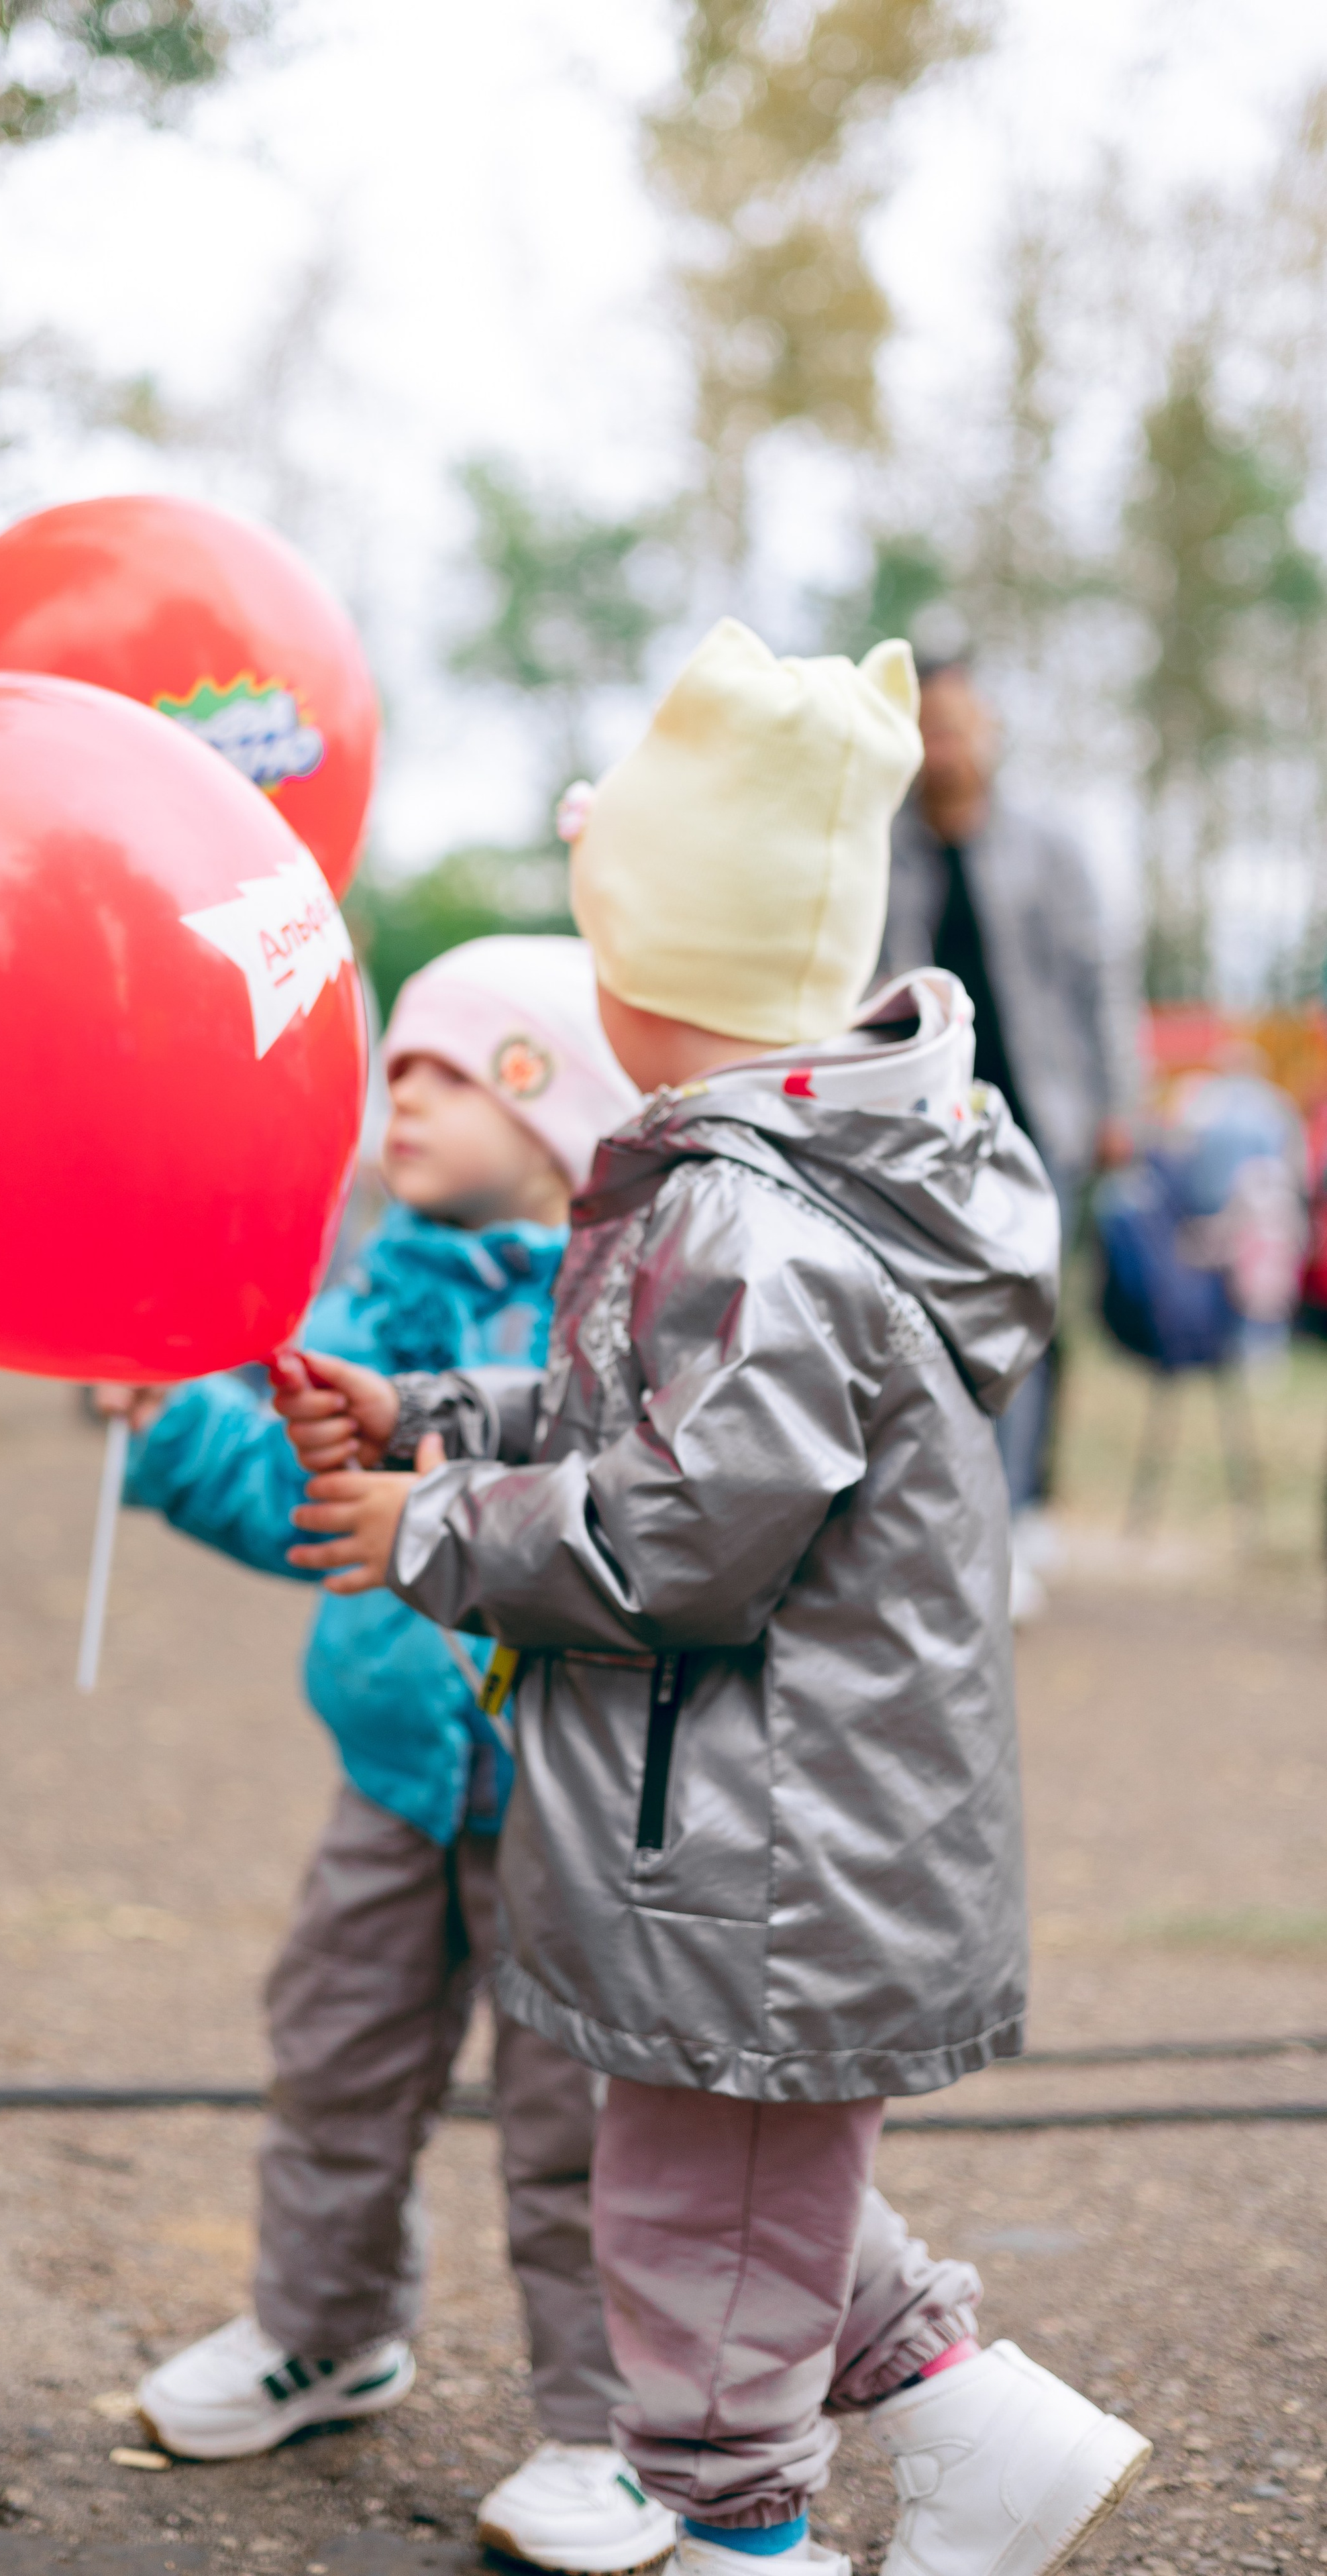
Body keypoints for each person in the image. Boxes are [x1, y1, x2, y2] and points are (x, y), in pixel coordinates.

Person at [274, 623, 1152, 2576]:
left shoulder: (756, 1220)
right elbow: (627, 1415)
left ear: (656, 969)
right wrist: (428, 1409)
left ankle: (747, 2541)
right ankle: (988, 2443)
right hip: (751, 1841)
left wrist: (428, 1526)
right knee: (746, 2202)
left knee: (696, 2249)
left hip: (765, 1854)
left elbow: (678, 1537)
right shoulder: (746, 1185)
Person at [105, 936, 672, 2574]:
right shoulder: (370, 1296)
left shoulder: (624, 1297)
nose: (397, 1097)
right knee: (335, 2054)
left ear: (555, 1106)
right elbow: (296, 1507)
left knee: (574, 2122)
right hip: (391, 1783)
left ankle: (614, 2425)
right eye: (393, 1067)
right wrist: (168, 1428)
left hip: (569, 1803)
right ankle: (325, 2329)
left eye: (448, 1069)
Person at [878, 655, 1140, 1612]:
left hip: (1041, 1119)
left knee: (1029, 1325)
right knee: (933, 1331)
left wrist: (1120, 1105)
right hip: (922, 1133)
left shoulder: (1048, 848)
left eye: (955, 726)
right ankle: (949, 1518)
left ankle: (1019, 1511)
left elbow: (1098, 980)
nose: (941, 747)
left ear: (986, 734)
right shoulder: (883, 849)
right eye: (925, 729)